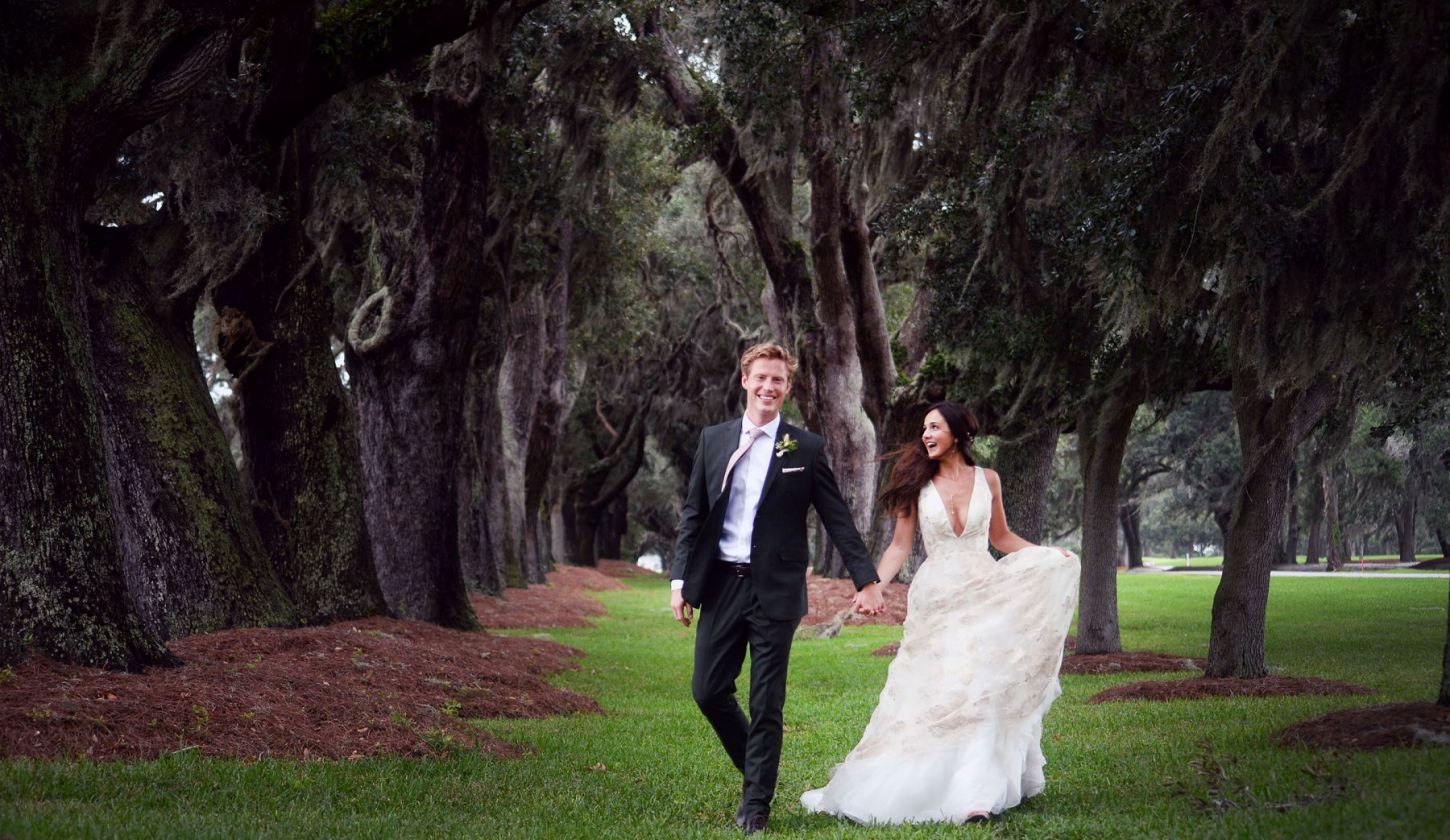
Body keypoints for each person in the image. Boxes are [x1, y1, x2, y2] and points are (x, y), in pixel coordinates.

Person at [800, 402, 1079, 825]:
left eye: (935, 427)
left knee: (980, 686)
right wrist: (871, 583)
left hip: (984, 591)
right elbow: (899, 546)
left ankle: (975, 796)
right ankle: (923, 784)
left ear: (959, 433)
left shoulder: (988, 480)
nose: (926, 434)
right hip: (936, 597)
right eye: (924, 428)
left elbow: (1001, 538)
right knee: (936, 690)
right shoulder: (916, 484)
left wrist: (1045, 553)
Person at [671, 341, 884, 835]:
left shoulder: (804, 448)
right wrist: (680, 580)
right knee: (708, 691)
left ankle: (756, 803)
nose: (769, 387)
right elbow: (693, 514)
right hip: (722, 584)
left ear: (788, 389)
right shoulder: (714, 440)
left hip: (777, 591)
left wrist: (865, 579)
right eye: (761, 377)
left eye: (779, 381)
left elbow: (837, 517)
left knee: (767, 699)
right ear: (744, 379)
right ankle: (758, 767)